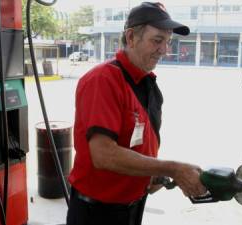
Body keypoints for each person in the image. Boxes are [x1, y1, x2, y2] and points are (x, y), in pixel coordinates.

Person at [66, 2, 207, 225]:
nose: (164, 50)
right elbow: (103, 154)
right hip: (98, 212)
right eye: (157, 41)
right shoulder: (103, 81)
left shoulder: (147, 83)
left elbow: (137, 141)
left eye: (168, 42)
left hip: (133, 205)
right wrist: (172, 168)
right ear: (131, 37)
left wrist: (152, 174)